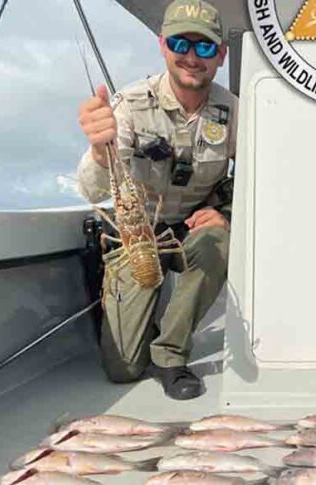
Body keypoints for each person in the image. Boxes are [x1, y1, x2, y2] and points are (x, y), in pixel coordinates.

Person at [76, 0, 238, 401]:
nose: (191, 57)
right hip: (137, 233)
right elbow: (93, 191)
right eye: (181, 44)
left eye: (204, 48)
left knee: (219, 243)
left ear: (221, 55)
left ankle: (170, 355)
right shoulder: (129, 105)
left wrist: (226, 215)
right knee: (123, 369)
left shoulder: (233, 111)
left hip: (191, 230)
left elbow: (260, 176)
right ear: (163, 45)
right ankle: (138, 320)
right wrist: (100, 150)